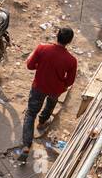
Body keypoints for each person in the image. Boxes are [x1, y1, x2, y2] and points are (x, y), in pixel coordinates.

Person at [18, 27, 78, 159]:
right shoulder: (71, 60)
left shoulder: (42, 48)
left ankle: (26, 146)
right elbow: (70, 81)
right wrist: (62, 86)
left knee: (30, 113)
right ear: (70, 41)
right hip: (55, 89)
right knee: (50, 105)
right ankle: (43, 121)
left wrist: (39, 65)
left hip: (39, 86)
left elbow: (30, 66)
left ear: (57, 35)